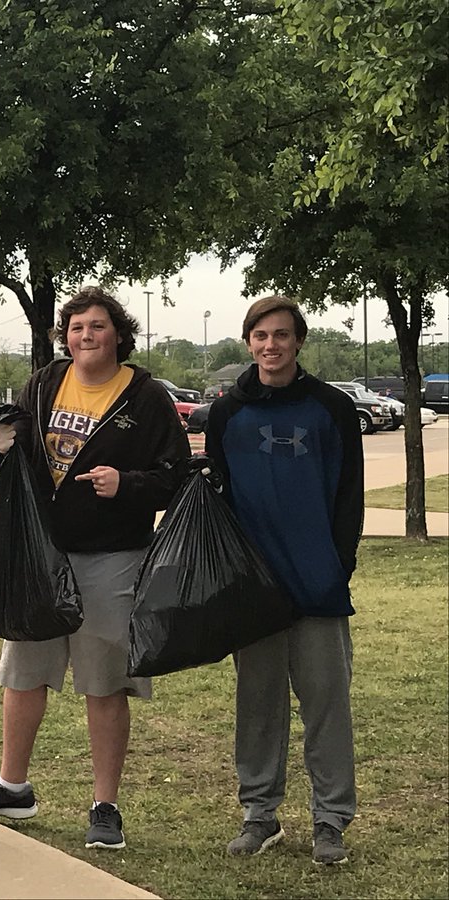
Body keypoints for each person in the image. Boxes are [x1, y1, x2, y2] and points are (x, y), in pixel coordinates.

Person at [0, 286, 189, 850]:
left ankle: (105, 807)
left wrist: (125, 485)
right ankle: (12, 788)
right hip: (40, 554)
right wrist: (0, 449)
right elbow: (10, 465)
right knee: (23, 670)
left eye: (97, 326)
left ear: (118, 335)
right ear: (65, 335)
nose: (86, 336)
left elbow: (176, 476)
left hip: (112, 558)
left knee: (104, 682)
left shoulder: (145, 397)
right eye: (77, 327)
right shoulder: (45, 383)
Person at [205, 296, 362, 865]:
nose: (270, 346)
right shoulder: (225, 414)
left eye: (281, 335)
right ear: (248, 342)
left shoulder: (332, 409)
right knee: (259, 706)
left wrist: (335, 566)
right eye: (260, 336)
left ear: (298, 342)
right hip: (255, 591)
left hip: (317, 587)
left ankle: (331, 819)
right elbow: (217, 499)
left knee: (326, 706)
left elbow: (349, 499)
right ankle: (259, 813)